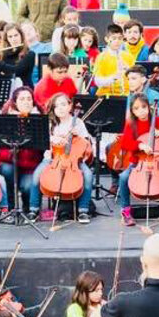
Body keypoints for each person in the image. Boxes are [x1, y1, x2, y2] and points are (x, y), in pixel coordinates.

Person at [116, 93, 159, 226]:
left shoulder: (158, 121)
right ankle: (126, 210)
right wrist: (139, 145)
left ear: (149, 107)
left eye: (143, 107)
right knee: (123, 177)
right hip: (138, 162)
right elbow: (125, 143)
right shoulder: (131, 125)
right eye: (136, 109)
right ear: (132, 111)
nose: (140, 111)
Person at [27, 92, 94, 223]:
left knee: (88, 175)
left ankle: (83, 210)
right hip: (52, 159)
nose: (61, 108)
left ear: (70, 106)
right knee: (36, 177)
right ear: (53, 109)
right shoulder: (50, 123)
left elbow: (87, 144)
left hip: (74, 159)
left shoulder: (78, 122)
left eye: (63, 104)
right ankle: (33, 209)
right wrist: (53, 139)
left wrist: (78, 135)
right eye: (56, 106)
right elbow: (43, 140)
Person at [92, 24, 135, 96]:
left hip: (126, 95)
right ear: (107, 39)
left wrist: (128, 70)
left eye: (120, 38)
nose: (117, 41)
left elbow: (135, 79)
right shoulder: (101, 57)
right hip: (106, 96)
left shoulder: (128, 57)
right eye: (114, 38)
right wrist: (113, 78)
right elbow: (97, 82)